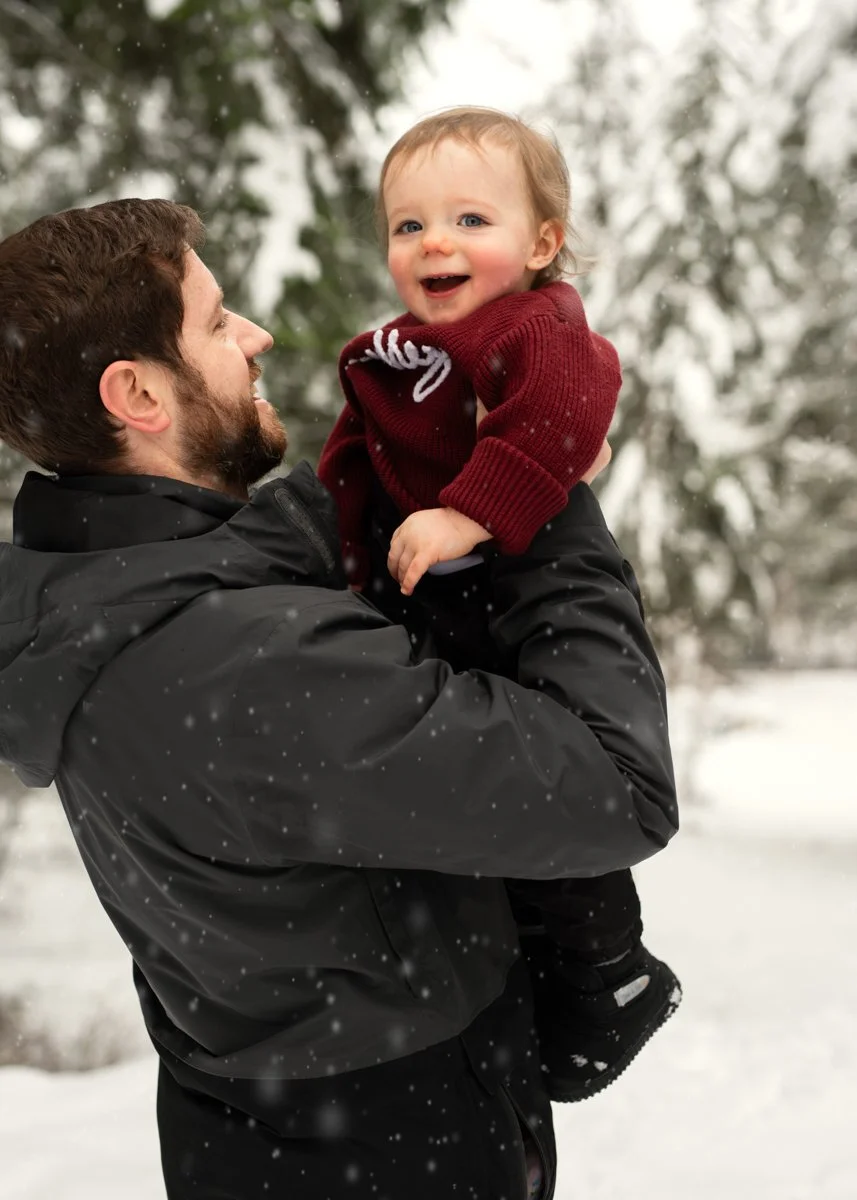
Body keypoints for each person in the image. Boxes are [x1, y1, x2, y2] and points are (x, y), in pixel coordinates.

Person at [0, 197, 677, 1200]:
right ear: (138, 392)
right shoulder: (241, 665)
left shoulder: (97, 585)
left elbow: (281, 544)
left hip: (279, 1130)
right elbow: (615, 791)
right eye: (217, 321)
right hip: (392, 1148)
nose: (254, 336)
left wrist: (450, 460)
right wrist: (551, 497)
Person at [317, 106, 681, 1107]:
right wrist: (341, 553)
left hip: (507, 584)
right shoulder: (384, 353)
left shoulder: (536, 326)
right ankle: (550, 965)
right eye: (408, 225)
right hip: (436, 606)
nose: (434, 241)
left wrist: (468, 513)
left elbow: (562, 414)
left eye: (470, 220)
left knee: (551, 790)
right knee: (494, 809)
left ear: (541, 244)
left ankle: (610, 971)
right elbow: (351, 463)